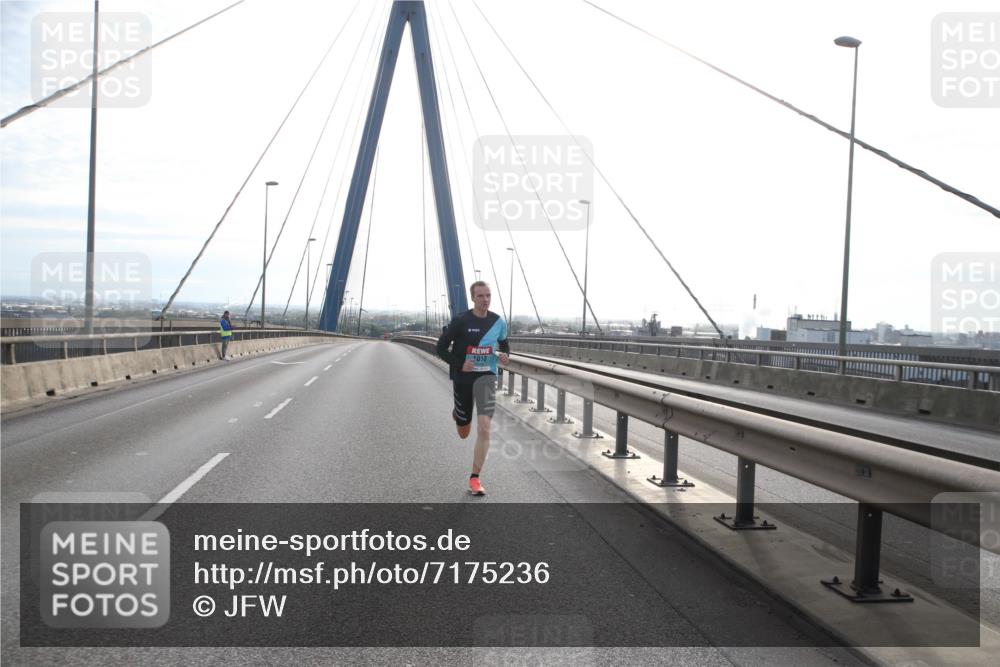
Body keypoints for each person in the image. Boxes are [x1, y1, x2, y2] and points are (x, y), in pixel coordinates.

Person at [436, 281, 510, 496]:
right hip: (464, 378)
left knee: (485, 427)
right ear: (473, 298)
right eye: (481, 296)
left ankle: (475, 478)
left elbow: (504, 344)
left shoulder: (498, 321)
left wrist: (505, 356)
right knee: (463, 430)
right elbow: (441, 348)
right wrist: (460, 364)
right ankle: (459, 415)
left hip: (487, 377)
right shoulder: (461, 321)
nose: (485, 299)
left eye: (488, 295)